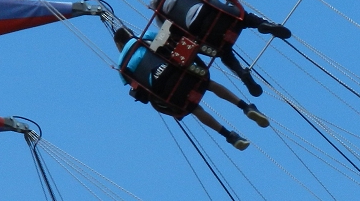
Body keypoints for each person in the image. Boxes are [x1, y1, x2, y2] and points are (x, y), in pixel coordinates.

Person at [115, 27, 270, 150]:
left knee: (193, 108)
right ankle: (245, 107)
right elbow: (168, 39)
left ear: (119, 46)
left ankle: (229, 136)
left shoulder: (122, 68)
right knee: (208, 84)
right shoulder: (142, 37)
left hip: (166, 92)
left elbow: (138, 92)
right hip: (178, 72)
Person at [151, 0, 292, 97]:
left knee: (222, 52)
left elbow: (171, 36)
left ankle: (240, 72)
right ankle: (262, 24)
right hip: (214, 10)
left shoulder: (159, 14)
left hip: (198, 30)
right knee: (244, 18)